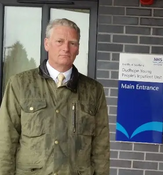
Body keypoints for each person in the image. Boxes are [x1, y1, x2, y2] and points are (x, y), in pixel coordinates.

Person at [0, 18, 110, 175]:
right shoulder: (19, 84)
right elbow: (5, 141)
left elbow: (101, 147)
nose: (66, 48)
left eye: (72, 43)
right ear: (46, 44)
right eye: (59, 41)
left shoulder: (94, 90)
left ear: (78, 49)